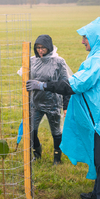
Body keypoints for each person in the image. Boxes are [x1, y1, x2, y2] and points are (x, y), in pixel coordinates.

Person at [26, 17, 100, 199]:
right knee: (99, 158)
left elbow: (76, 84)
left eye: (85, 37)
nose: (82, 41)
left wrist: (43, 85)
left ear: (95, 37)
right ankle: (98, 192)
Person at [29, 34, 71, 166]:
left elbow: (66, 84)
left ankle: (57, 158)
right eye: (38, 48)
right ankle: (37, 152)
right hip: (36, 102)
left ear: (49, 47)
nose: (40, 50)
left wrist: (66, 106)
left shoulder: (58, 62)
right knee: (31, 129)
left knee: (56, 132)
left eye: (43, 48)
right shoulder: (32, 61)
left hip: (53, 103)